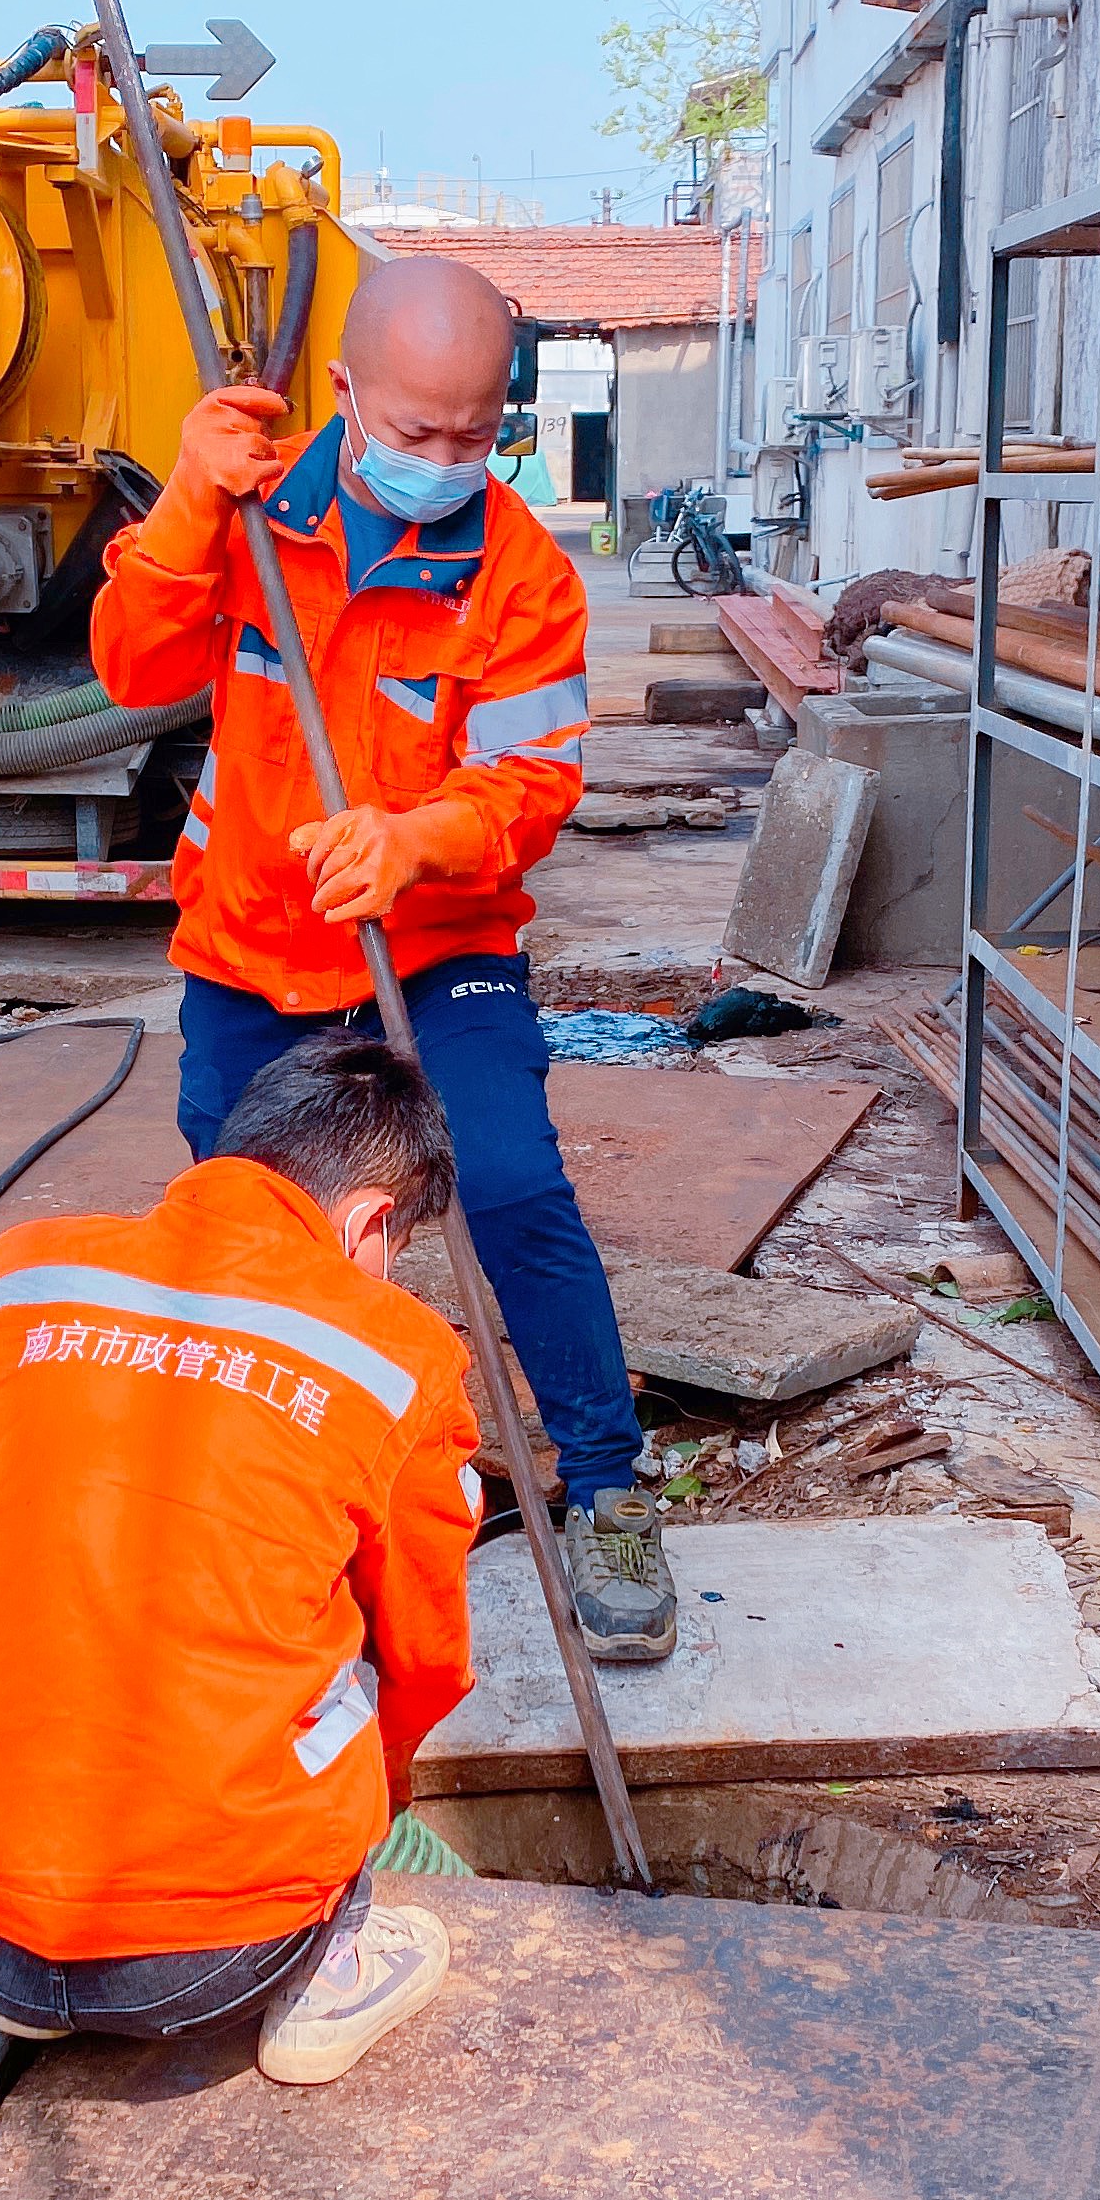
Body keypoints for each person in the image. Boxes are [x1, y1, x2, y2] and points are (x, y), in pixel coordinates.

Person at [90, 251, 678, 1660]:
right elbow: (128, 669)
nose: (447, 462)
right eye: (417, 434)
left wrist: (419, 843)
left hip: (439, 948)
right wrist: (182, 502)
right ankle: (252, 1497)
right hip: (254, 950)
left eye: (478, 436)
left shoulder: (520, 575)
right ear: (347, 395)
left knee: (517, 1186)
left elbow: (532, 785)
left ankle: (605, 1487)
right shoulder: (248, 511)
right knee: (248, 1227)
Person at [0, 1038, 478, 2082]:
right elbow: (429, 1651)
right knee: (354, 1647)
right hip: (209, 1958)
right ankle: (331, 1974)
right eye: (392, 1247)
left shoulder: (21, 1271)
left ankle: (35, 2002)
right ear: (369, 1219)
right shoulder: (396, 1354)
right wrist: (375, 1802)